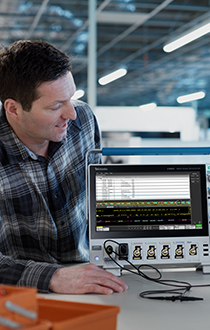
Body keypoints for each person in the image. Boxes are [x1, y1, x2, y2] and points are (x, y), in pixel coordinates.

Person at [0, 40, 127, 294]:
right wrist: (53, 277)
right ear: (13, 109)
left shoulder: (84, 122)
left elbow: (101, 200)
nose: (71, 113)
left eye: (71, 98)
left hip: (91, 276)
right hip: (20, 294)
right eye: (56, 105)